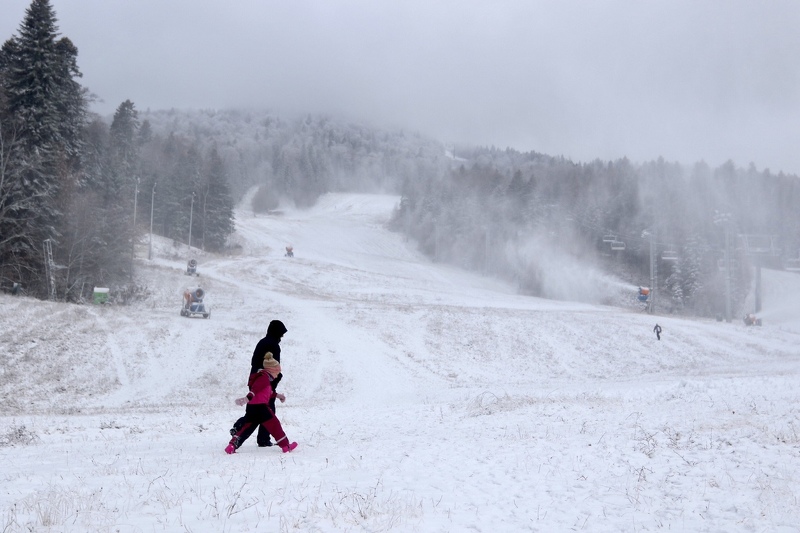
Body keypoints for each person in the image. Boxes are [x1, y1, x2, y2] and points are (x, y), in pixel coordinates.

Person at [225, 351, 297, 454]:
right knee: (274, 425)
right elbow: (255, 390)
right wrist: (247, 398)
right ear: (271, 370)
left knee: (247, 428)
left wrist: (278, 396)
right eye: (277, 371)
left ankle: (232, 446)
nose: (278, 374)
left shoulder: (264, 378)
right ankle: (286, 446)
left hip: (252, 408)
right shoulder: (263, 378)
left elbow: (267, 393)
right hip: (261, 408)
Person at [230, 320, 288, 447]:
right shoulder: (273, 345)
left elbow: (254, 361)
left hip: (256, 379)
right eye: (281, 334)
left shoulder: (262, 342)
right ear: (277, 333)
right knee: (266, 411)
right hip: (265, 380)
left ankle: (240, 428)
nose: (282, 337)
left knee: (255, 411)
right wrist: (274, 378)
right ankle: (262, 439)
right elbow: (274, 365)